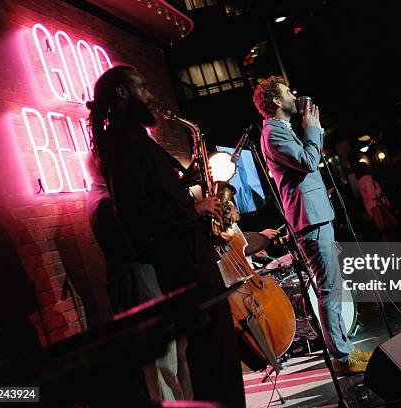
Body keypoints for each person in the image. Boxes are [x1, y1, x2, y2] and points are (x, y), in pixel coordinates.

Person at [86, 65, 245, 407]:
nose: (150, 94)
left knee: (217, 354)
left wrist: (192, 187)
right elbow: (135, 215)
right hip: (181, 264)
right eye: (142, 87)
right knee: (213, 358)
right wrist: (195, 210)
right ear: (122, 93)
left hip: (190, 255)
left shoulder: (134, 138)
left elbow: (156, 196)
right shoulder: (120, 141)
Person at [253, 76, 371, 375]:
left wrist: (308, 131)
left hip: (317, 215)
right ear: (276, 101)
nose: (294, 95)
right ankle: (342, 358)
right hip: (310, 219)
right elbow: (307, 160)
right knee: (328, 289)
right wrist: (313, 130)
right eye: (287, 92)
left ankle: (344, 350)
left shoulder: (282, 130)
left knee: (333, 286)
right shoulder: (273, 134)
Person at [85, 154, 192, 402]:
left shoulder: (104, 199)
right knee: (161, 363)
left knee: (169, 359)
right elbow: (138, 244)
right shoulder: (106, 203)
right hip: (139, 284)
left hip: (142, 282)